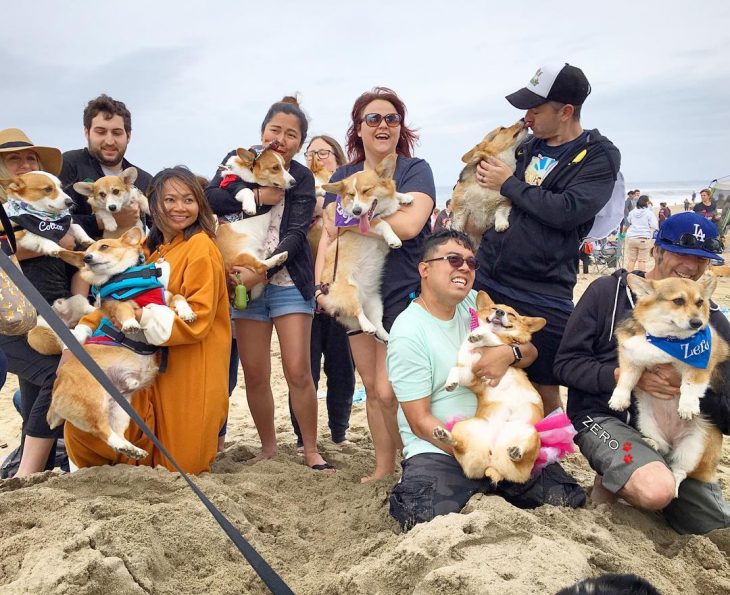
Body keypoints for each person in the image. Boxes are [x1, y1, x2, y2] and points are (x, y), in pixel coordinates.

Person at [387, 229, 586, 529]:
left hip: (505, 431)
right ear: (424, 269)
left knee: (568, 498)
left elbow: (530, 349)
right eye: (453, 260)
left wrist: (509, 355)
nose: (464, 268)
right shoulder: (408, 331)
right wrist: (476, 452)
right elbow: (418, 420)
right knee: (420, 514)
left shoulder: (477, 305)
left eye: (471, 262)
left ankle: (497, 483)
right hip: (443, 446)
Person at [554, 212, 730, 534]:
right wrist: (621, 376)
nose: (690, 266)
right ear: (656, 251)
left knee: (715, 527)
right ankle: (623, 477)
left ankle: (636, 481)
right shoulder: (607, 293)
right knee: (656, 490)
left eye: (701, 260)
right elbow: (566, 364)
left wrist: (688, 389)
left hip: (679, 435)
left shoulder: (709, 323)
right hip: (605, 418)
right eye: (681, 253)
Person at [474, 63, 621, 414]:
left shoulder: (599, 155)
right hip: (489, 280)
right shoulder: (526, 146)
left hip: (545, 290)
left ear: (566, 111)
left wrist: (508, 183)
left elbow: (569, 210)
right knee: (479, 366)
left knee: (543, 383)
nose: (527, 117)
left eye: (536, 109)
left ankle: (549, 461)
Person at [64, 166, 231, 474]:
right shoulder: (149, 250)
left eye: (189, 199)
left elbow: (198, 318)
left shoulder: (201, 247)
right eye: (170, 200)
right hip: (148, 361)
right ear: (153, 203)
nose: (180, 207)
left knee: (182, 464)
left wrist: (138, 315)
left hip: (193, 363)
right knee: (118, 432)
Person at [315, 87, 436, 481]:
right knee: (371, 387)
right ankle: (385, 467)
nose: (383, 125)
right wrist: (321, 285)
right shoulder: (342, 175)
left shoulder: (415, 171)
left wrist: (350, 218)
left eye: (391, 119)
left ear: (401, 127)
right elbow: (329, 237)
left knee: (390, 389)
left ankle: (417, 460)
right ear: (359, 128)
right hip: (353, 288)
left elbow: (410, 223)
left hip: (403, 288)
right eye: (373, 119)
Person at [206, 96, 332, 471]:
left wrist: (264, 269)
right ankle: (268, 449)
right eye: (275, 130)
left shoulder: (302, 177)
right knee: (255, 372)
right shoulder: (240, 160)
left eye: (291, 134)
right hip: (244, 280)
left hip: (288, 280)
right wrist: (259, 195)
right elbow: (211, 197)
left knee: (297, 369)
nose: (281, 138)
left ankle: (310, 449)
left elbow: (296, 232)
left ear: (300, 142)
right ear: (262, 132)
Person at [0, 128, 77, 477]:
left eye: (30, 158)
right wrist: (51, 240)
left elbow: (71, 248)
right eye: (13, 158)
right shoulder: (11, 211)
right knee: (55, 377)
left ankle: (38, 466)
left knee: (34, 391)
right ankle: (26, 474)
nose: (24, 164)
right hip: (11, 319)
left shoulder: (47, 211)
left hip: (47, 314)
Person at [287, 135, 355, 450]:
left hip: (342, 289)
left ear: (337, 157)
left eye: (323, 152)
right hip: (302, 291)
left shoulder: (348, 187)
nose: (316, 157)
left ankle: (339, 433)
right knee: (304, 368)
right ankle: (304, 437)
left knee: (342, 368)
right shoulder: (298, 187)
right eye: (310, 152)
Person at [60, 94, 152, 240]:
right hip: (81, 259)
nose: (109, 141)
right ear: (87, 133)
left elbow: (162, 226)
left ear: (128, 136)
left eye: (117, 133)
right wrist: (99, 222)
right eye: (100, 132)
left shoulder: (144, 179)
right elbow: (49, 220)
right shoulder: (69, 164)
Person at [624, 195, 658, 272]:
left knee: (631, 260)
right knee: (641, 261)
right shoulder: (649, 213)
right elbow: (654, 225)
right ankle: (641, 277)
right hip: (643, 238)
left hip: (632, 238)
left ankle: (626, 277)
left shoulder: (632, 212)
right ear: (646, 202)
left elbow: (628, 223)